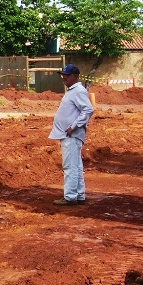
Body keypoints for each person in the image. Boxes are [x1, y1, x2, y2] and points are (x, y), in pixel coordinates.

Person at [48, 64, 94, 205]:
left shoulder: (78, 91)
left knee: (70, 166)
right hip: (70, 135)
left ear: (75, 76)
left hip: (71, 135)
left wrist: (73, 127)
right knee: (76, 166)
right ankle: (79, 195)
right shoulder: (73, 90)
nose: (64, 78)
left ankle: (70, 197)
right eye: (63, 75)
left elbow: (88, 110)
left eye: (66, 75)